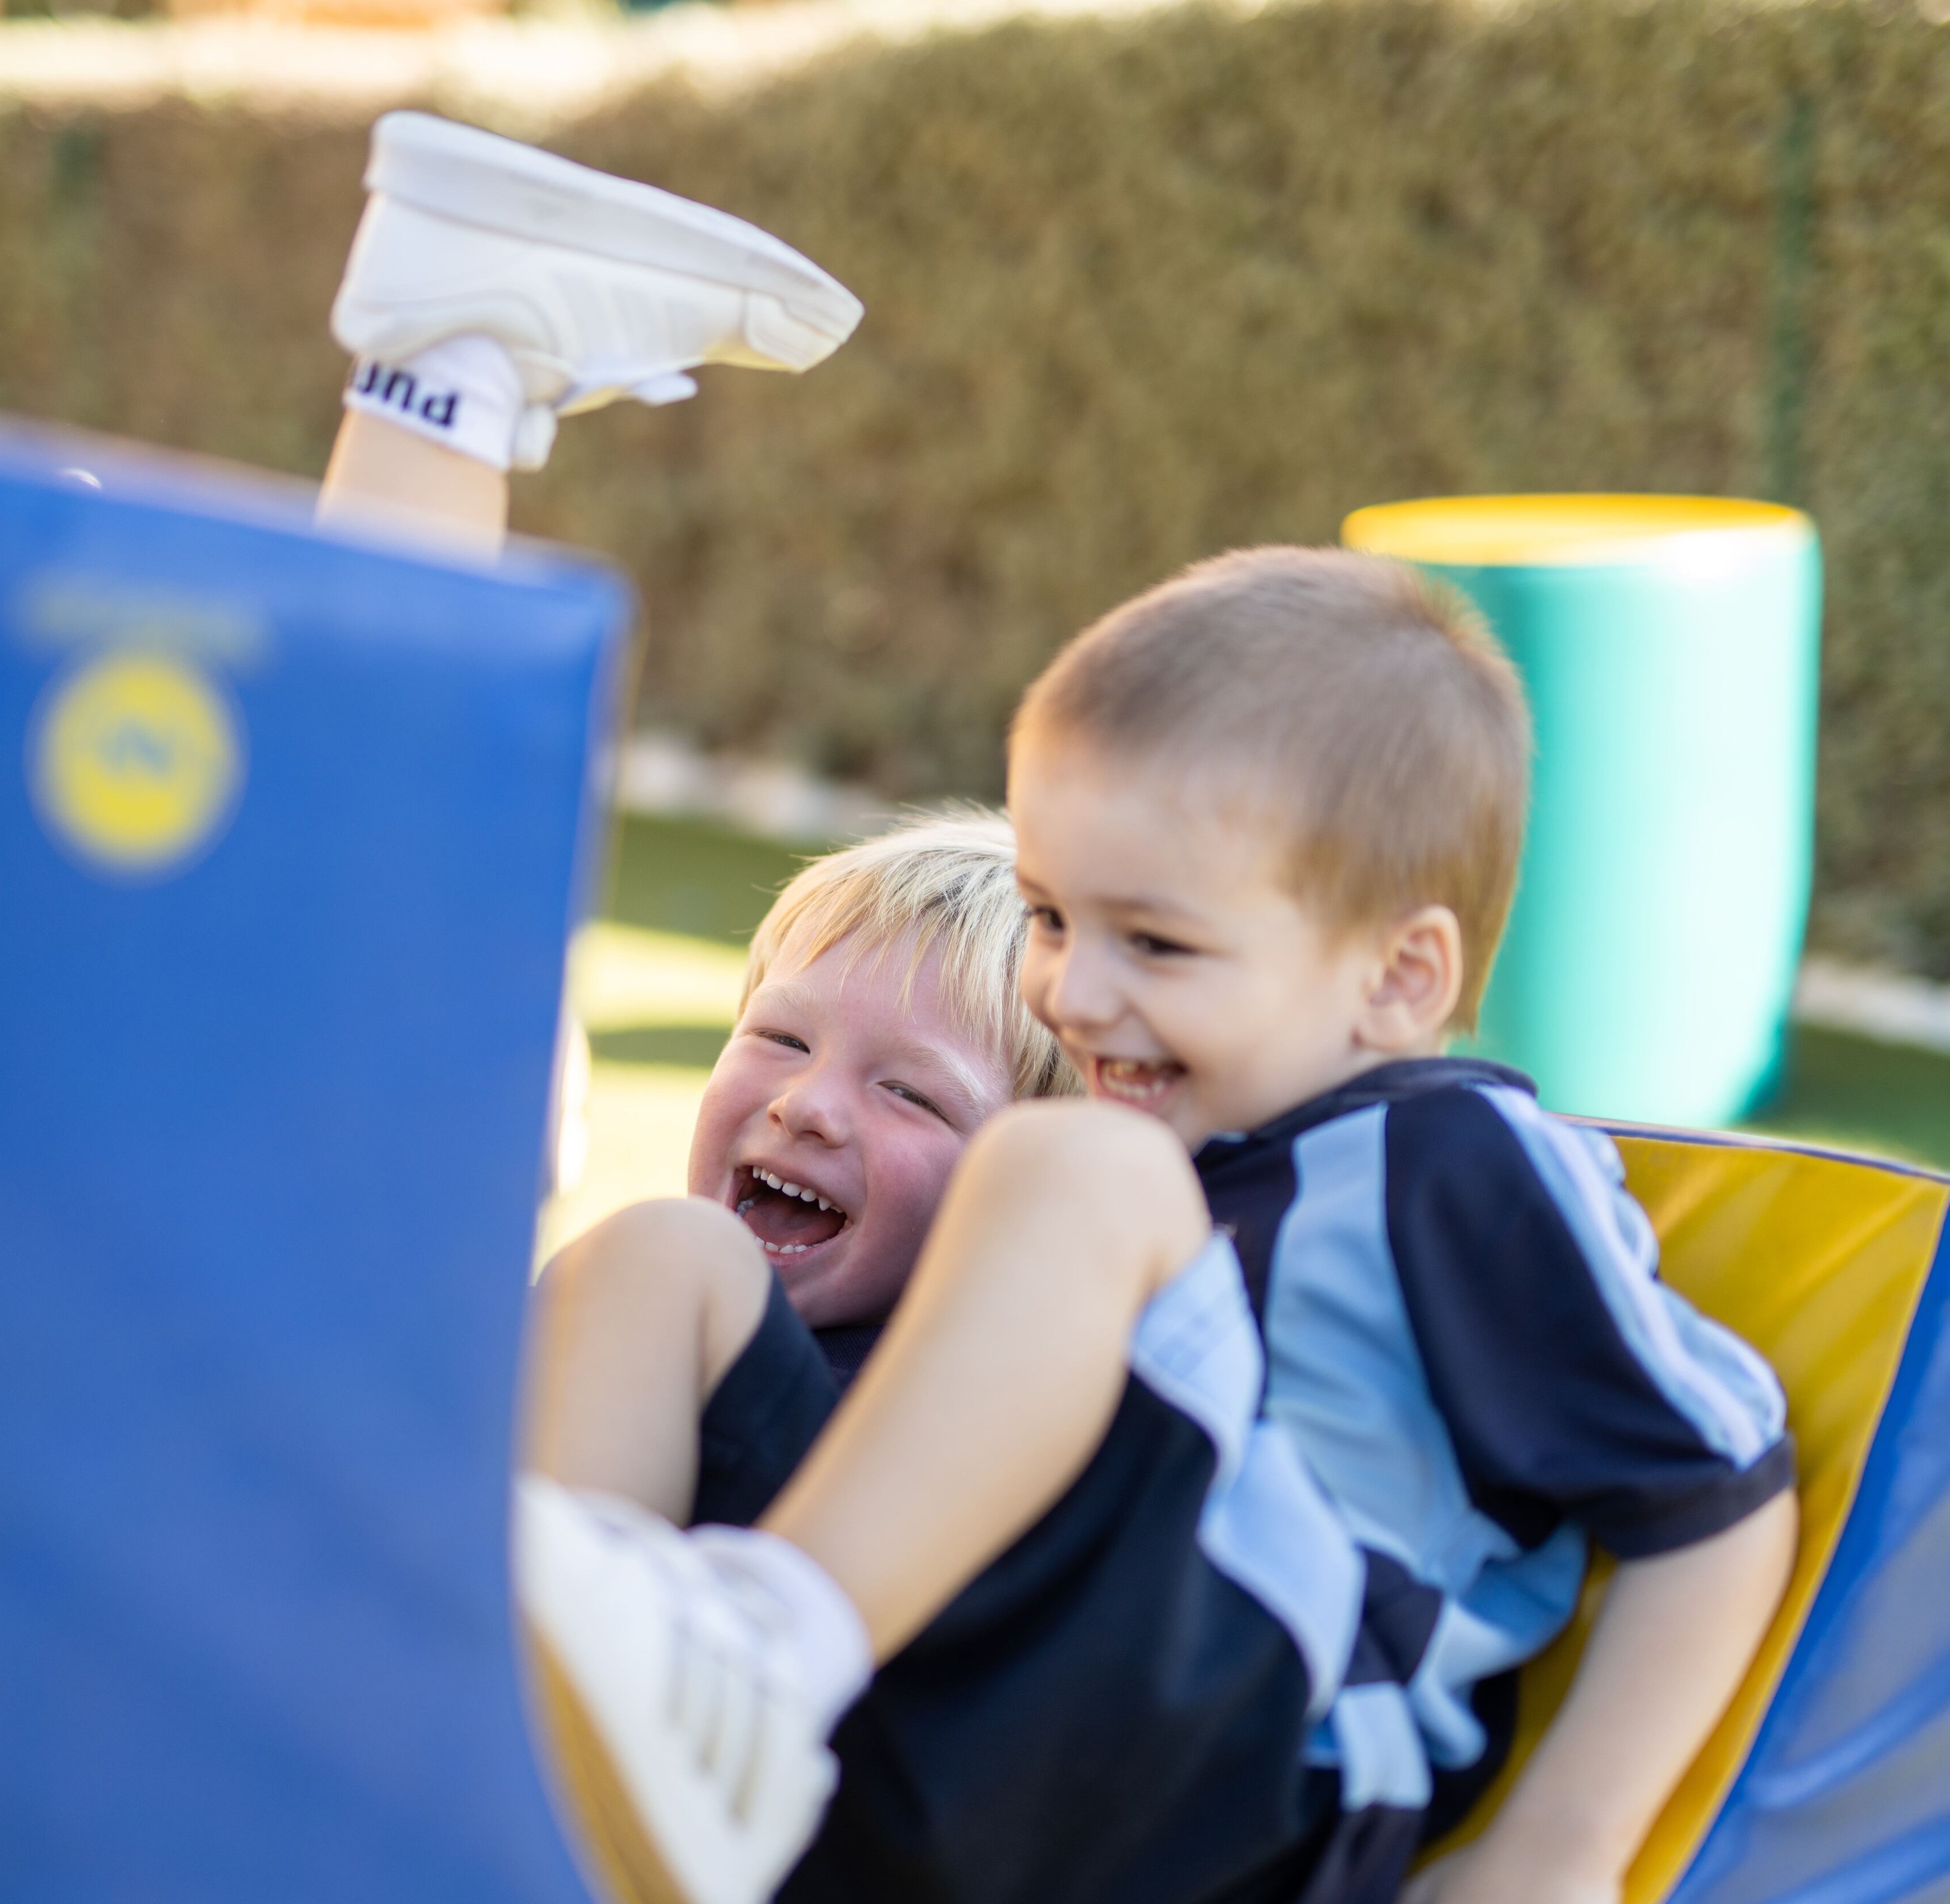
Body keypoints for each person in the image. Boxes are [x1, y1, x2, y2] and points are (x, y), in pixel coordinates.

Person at [315, 113, 1799, 1904]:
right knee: (665, 1253)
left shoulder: (1440, 1155)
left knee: (1086, 1174)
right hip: (943, 1737)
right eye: (1050, 920)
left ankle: (738, 1655)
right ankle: (521, 1724)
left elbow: (1721, 1486)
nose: (1080, 989)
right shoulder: (1069, 1235)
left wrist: (1557, 1853)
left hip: (1228, 1764)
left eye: (1155, 948)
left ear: (1401, 974)